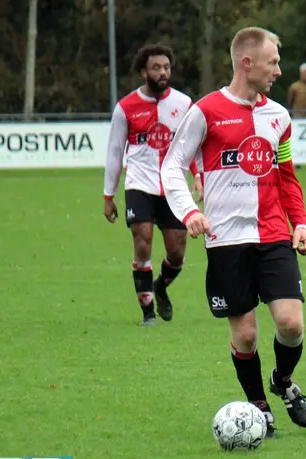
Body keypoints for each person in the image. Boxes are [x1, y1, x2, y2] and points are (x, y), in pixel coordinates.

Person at [161, 27, 306, 437]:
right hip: (227, 240)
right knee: (245, 334)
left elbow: (286, 176)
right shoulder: (206, 111)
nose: (279, 71)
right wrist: (189, 211)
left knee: (291, 324)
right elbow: (173, 167)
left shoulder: (279, 117)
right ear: (248, 63)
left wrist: (300, 222)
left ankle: (281, 383)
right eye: (273, 62)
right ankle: (258, 406)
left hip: (273, 234)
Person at [103, 44, 203, 326]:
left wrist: (198, 174)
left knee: (177, 252)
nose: (163, 73)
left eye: (166, 67)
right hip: (140, 184)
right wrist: (108, 195)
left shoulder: (184, 105)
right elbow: (114, 152)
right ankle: (147, 311)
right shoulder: (125, 108)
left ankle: (160, 287)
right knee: (142, 240)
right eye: (157, 67)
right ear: (143, 71)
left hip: (172, 187)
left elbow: (193, 145)